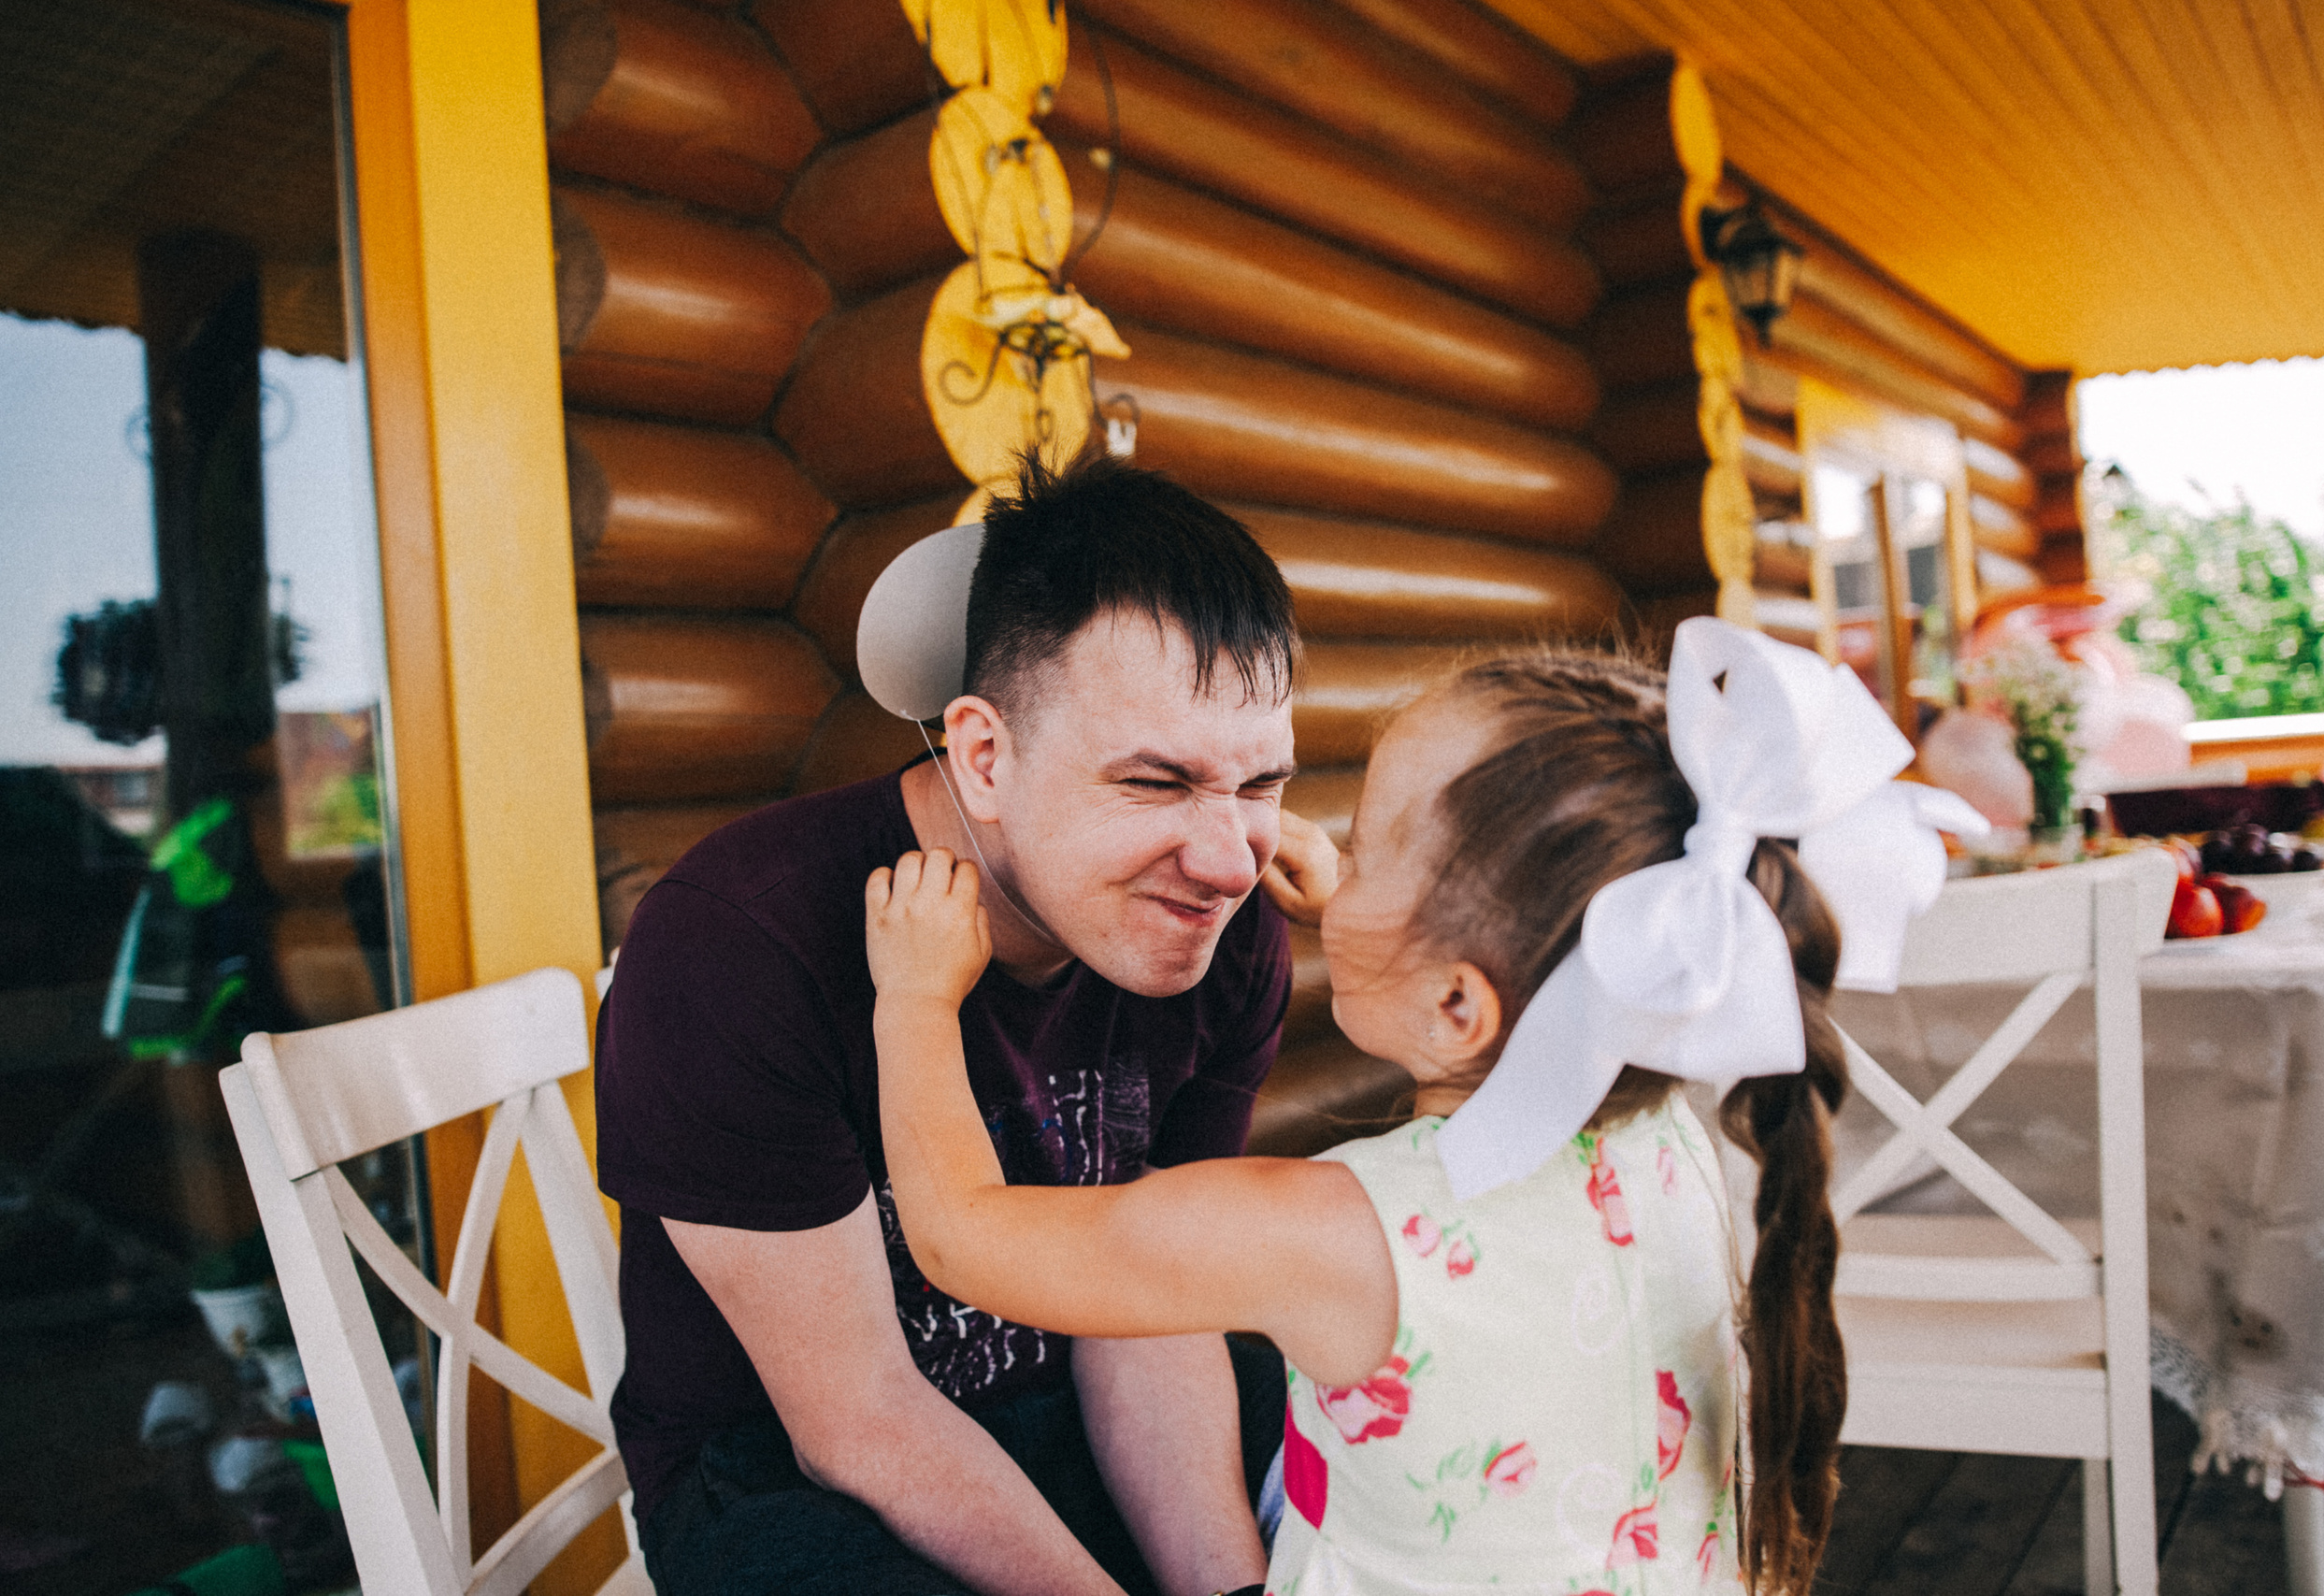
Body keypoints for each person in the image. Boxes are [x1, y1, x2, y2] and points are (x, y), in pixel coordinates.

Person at [866, 621, 1973, 1596]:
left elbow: (966, 1238)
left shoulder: (1339, 1234)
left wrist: (917, 999)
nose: (1309, 853)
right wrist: (1371, 910)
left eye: (1376, 843)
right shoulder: (1668, 1139)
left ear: (1458, 1001)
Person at [595, 454, 1340, 1596]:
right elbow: (855, 1423)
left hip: (1080, 1412)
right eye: (1156, 784)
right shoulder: (738, 947)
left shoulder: (1225, 934)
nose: (1229, 860)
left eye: (1259, 786)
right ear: (985, 756)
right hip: (796, 1482)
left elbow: (1144, 1303)